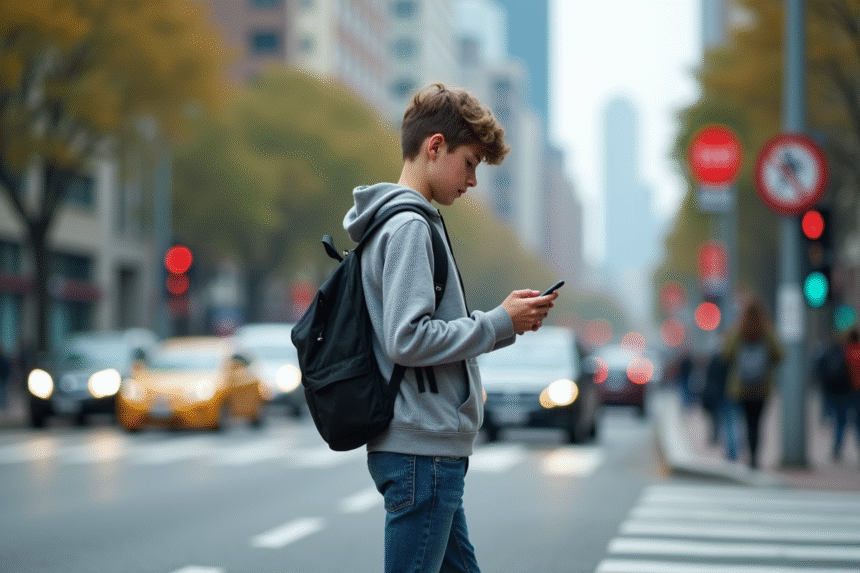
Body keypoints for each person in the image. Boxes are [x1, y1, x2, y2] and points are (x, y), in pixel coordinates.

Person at [343, 83, 558, 573]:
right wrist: (499, 321)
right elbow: (407, 338)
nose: (474, 181)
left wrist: (504, 323)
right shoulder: (410, 227)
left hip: (426, 449)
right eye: (470, 163)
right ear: (435, 146)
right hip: (423, 451)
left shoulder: (396, 223)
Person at [724, 298, 783, 469]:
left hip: (741, 387)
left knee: (745, 422)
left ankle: (747, 454)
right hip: (762, 387)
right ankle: (755, 456)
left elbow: (726, 355)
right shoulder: (766, 332)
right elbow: (780, 355)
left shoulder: (739, 331)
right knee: (757, 423)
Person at [815, 332, 852, 460]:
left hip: (831, 391)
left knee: (838, 419)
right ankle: (838, 445)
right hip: (847, 391)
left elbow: (818, 371)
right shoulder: (846, 352)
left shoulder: (825, 352)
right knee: (843, 420)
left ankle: (837, 446)